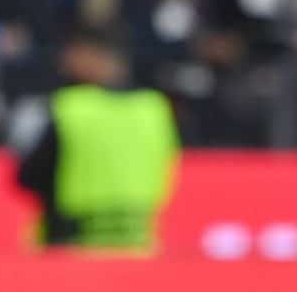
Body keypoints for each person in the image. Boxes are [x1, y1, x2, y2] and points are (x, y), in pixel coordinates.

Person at [14, 27, 180, 251]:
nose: (66, 63)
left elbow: (29, 176)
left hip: (73, 245)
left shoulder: (70, 108)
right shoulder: (154, 109)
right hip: (139, 246)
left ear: (91, 55)